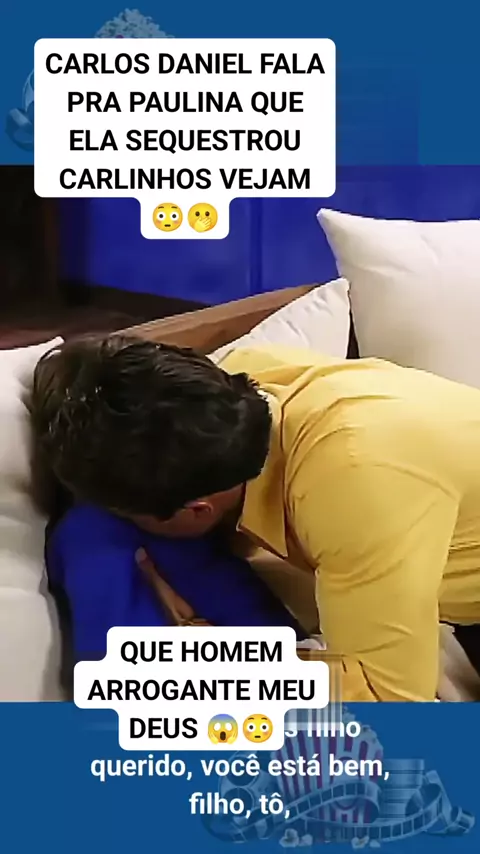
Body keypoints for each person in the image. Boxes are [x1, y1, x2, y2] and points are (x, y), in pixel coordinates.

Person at [30, 335, 480, 702]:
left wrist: (206, 666)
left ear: (197, 510)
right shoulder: (245, 380)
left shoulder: (355, 486)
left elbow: (390, 700)